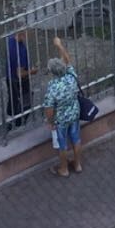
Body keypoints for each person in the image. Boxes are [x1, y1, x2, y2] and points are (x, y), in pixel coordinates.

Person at [43, 36, 83, 177]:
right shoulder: (71, 75)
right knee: (76, 139)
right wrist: (59, 45)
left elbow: (49, 109)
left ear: (53, 73)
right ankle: (77, 164)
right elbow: (67, 59)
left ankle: (64, 169)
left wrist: (50, 122)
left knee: (62, 144)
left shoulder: (52, 87)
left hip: (61, 120)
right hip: (75, 113)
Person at [5, 28, 32, 126]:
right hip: (20, 81)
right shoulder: (20, 51)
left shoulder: (10, 40)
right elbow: (20, 74)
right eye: (26, 33)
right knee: (26, 101)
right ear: (21, 34)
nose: (27, 36)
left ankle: (10, 118)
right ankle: (20, 122)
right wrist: (32, 71)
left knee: (12, 99)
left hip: (9, 77)